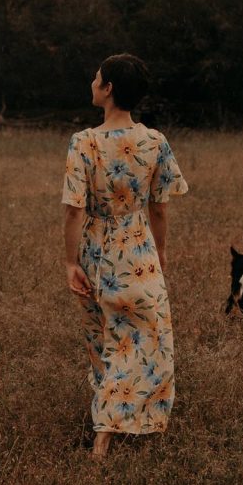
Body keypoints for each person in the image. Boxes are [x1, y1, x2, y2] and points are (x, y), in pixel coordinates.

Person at [61, 54, 188, 457]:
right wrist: (161, 251)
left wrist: (70, 262)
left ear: (109, 88)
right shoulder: (155, 141)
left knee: (104, 341)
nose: (93, 81)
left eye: (97, 77)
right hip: (139, 250)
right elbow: (160, 206)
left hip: (97, 252)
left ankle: (106, 429)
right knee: (150, 339)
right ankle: (125, 421)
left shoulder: (84, 142)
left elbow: (73, 209)